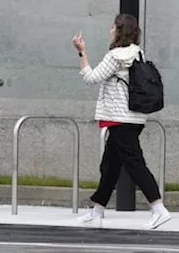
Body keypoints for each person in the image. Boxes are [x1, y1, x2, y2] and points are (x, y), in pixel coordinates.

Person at [72, 14, 171, 229]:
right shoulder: (137, 53)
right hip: (135, 118)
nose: (110, 31)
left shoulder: (115, 56)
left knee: (135, 164)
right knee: (110, 165)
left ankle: (158, 207)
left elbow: (91, 77)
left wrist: (82, 52)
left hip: (119, 119)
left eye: (113, 27)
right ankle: (97, 210)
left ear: (120, 30)